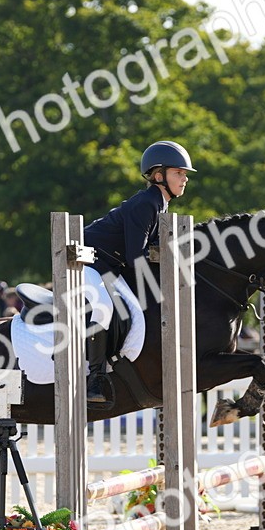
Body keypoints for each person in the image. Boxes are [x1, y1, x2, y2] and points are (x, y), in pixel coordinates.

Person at [82, 140, 193, 402]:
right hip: (86, 260)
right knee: (104, 308)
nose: (184, 179)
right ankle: (94, 378)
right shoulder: (146, 203)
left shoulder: (160, 205)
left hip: (108, 265)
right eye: (178, 173)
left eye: (185, 174)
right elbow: (136, 256)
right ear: (159, 176)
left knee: (132, 306)